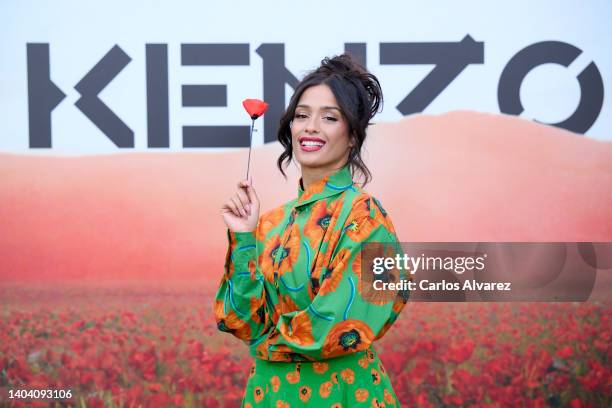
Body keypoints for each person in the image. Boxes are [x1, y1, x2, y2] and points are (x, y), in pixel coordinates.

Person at [214, 53, 409, 407]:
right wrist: (244, 236)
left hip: (343, 394)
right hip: (269, 396)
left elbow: (341, 326)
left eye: (329, 118)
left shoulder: (366, 218)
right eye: (302, 116)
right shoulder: (270, 223)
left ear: (352, 137)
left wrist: (264, 343)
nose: (310, 127)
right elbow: (240, 319)